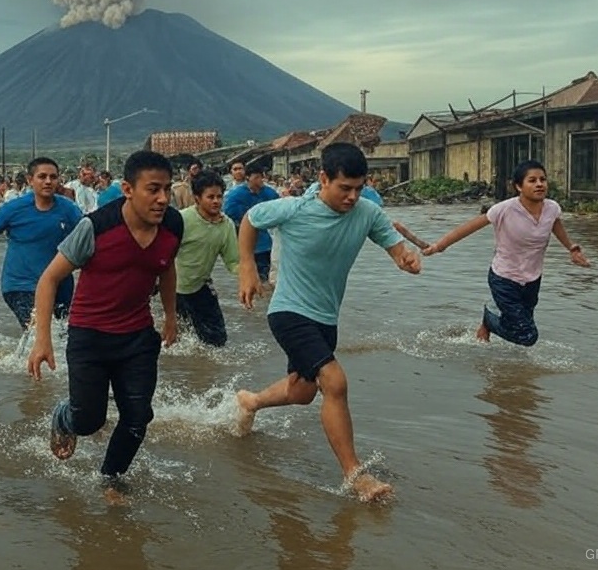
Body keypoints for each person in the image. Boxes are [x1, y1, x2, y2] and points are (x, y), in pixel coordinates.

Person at [233, 143, 422, 502]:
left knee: (302, 392)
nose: (352, 197)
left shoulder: (367, 212)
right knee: (334, 381)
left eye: (359, 188)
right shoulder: (294, 208)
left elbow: (395, 247)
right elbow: (251, 220)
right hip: (288, 311)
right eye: (344, 188)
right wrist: (246, 267)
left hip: (325, 317)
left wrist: (405, 259)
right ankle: (355, 475)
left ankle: (250, 402)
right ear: (323, 179)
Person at [27, 151, 183, 499]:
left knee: (138, 418)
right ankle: (65, 415)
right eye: (153, 189)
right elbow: (49, 279)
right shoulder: (96, 227)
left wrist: (170, 316)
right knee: (89, 421)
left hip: (138, 336)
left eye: (167, 189)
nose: (162, 199)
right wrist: (42, 340)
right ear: (128, 189)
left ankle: (111, 479)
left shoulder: (173, 225)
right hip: (90, 336)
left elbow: (166, 267)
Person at [422, 160, 590, 346]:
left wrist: (571, 248)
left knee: (523, 323)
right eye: (532, 180)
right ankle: (489, 320)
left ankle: (492, 327)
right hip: (504, 278)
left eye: (542, 180)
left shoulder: (552, 208)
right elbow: (468, 228)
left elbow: (555, 226)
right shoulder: (504, 209)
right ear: (518, 186)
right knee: (527, 336)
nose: (539, 184)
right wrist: (438, 246)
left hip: (532, 279)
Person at [0, 158, 83, 331]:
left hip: (60, 285)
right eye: (42, 176)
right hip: (21, 285)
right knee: (39, 330)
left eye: (53, 177)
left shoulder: (69, 209)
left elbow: (87, 237)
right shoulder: (13, 208)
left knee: (60, 335)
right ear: (30, 180)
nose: (48, 181)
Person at [175, 170, 239, 346]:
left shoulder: (226, 225)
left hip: (201, 285)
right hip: (174, 288)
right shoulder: (181, 220)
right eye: (210, 197)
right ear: (197, 198)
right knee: (179, 341)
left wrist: (249, 277)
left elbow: (233, 262)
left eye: (219, 196)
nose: (216, 201)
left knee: (217, 340)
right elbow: (163, 255)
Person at [223, 164, 280, 280]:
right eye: (257, 177)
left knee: (268, 275)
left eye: (261, 177)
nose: (260, 180)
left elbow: (279, 209)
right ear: (248, 177)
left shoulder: (269, 193)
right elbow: (229, 212)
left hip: (268, 242)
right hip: (248, 240)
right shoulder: (236, 194)